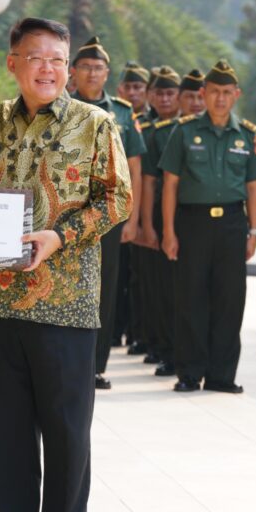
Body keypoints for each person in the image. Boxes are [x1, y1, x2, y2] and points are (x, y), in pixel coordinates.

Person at [0, 17, 131, 512]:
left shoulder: (96, 125)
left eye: (57, 59)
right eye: (36, 57)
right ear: (12, 63)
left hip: (67, 301)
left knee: (67, 427)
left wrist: (61, 236)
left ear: (69, 65)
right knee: (3, 426)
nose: (48, 68)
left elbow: (117, 199)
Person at [160, 59, 256, 393]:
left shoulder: (248, 134)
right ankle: (189, 373)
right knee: (190, 298)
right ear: (203, 94)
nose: (220, 99)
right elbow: (170, 184)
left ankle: (222, 376)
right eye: (214, 92)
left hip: (234, 224)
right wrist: (168, 231)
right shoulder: (185, 130)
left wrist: (253, 231)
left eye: (226, 93)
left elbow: (253, 187)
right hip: (192, 223)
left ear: (236, 95)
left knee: (229, 300)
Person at [70, 36, 146, 389]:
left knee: (105, 288)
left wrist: (133, 218)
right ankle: (67, 360)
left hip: (109, 214)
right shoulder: (61, 107)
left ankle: (96, 365)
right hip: (67, 211)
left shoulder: (123, 112)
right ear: (73, 72)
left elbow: (134, 166)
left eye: (98, 68)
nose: (91, 73)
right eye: (85, 67)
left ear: (107, 74)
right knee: (67, 284)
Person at [141, 68, 206, 377]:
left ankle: (195, 352)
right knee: (166, 290)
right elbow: (150, 182)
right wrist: (149, 226)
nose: (195, 102)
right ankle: (169, 350)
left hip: (197, 218)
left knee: (197, 292)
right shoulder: (166, 131)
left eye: (198, 96)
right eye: (189, 96)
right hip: (165, 215)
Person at [137, 65, 182, 371]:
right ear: (150, 96)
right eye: (160, 93)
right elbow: (147, 181)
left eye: (171, 93)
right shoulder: (151, 133)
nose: (165, 99)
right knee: (156, 287)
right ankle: (160, 343)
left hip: (187, 214)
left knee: (180, 290)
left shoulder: (186, 131)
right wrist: (146, 225)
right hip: (155, 212)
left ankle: (176, 349)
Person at [114, 61, 151, 347]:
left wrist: (135, 217)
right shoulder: (114, 114)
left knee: (137, 279)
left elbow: (139, 170)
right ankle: (116, 330)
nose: (133, 92)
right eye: (129, 87)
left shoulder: (141, 122)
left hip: (137, 209)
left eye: (139, 87)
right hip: (112, 209)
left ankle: (136, 331)